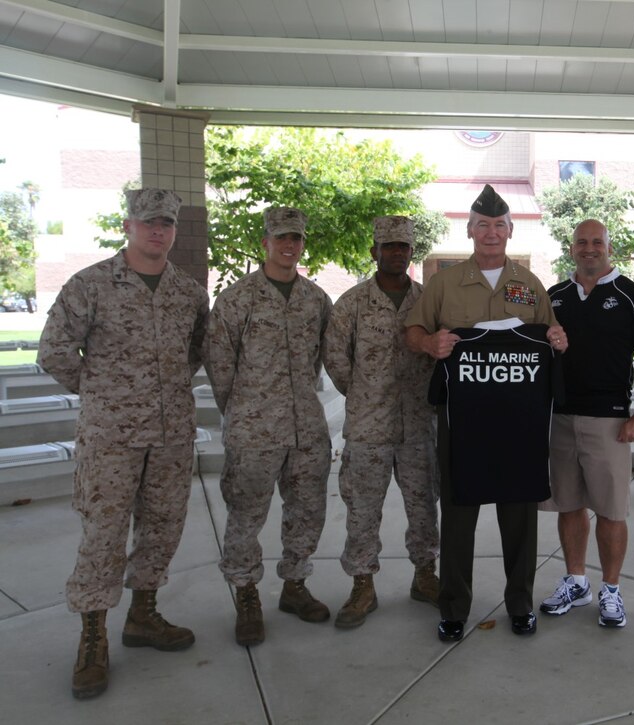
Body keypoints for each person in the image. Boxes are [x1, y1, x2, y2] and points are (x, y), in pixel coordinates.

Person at [38, 188, 208, 700]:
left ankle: (143, 615)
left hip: (171, 433)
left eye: (166, 223)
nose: (158, 230)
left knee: (162, 525)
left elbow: (197, 349)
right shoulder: (91, 283)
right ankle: (93, 637)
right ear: (128, 226)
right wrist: (102, 392)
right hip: (111, 436)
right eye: (148, 221)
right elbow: (54, 350)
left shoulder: (187, 291)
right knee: (104, 533)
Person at [405, 184, 568, 642]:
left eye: (499, 225)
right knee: (459, 513)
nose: (491, 233)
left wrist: (557, 339)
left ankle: (520, 604)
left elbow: (550, 333)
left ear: (510, 231)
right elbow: (413, 329)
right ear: (470, 230)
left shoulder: (530, 284)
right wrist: (428, 343)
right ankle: (454, 607)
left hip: (520, 423)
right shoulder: (443, 283)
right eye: (483, 225)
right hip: (463, 422)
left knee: (520, 513)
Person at [204, 206, 333, 646]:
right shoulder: (237, 299)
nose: (289, 245)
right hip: (253, 430)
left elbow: (318, 359)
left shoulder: (316, 299)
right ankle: (246, 595)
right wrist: (242, 410)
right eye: (281, 238)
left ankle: (295, 585)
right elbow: (220, 366)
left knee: (307, 510)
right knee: (246, 514)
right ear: (265, 243)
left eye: (296, 238)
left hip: (306, 429)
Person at [538, 219, 634, 628]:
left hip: (609, 422)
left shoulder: (633, 297)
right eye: (581, 242)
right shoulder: (553, 296)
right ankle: (576, 582)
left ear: (609, 247)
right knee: (569, 504)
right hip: (560, 418)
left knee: (611, 512)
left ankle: (611, 589)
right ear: (572, 248)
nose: (589, 248)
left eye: (597, 242)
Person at [323, 215, 440, 629]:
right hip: (368, 429)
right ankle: (362, 585)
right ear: (374, 252)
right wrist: (363, 395)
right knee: (362, 510)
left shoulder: (428, 302)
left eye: (403, 247)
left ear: (411, 253)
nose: (396, 253)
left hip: (417, 427)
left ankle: (425, 576)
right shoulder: (351, 304)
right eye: (388, 246)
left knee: (424, 506)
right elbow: (336, 358)